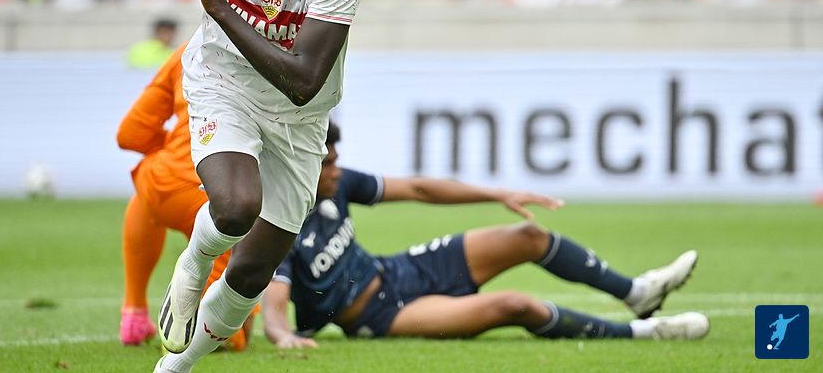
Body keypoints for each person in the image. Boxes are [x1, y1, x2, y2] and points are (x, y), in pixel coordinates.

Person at [0, 0, 368, 372]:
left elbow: (304, 80)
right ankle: (193, 264)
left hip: (298, 113)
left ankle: (172, 368)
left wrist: (220, 6)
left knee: (252, 274)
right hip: (224, 82)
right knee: (235, 208)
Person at [262, 122, 710, 348]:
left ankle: (637, 293)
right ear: (302, 166)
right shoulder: (279, 224)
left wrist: (498, 194)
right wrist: (282, 336)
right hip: (382, 316)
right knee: (515, 305)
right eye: (328, 164)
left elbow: (418, 189)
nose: (337, 172)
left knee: (527, 236)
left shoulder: (336, 185)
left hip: (398, 271)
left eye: (337, 161)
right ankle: (644, 332)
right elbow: (275, 305)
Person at [116, 43, 253, 351]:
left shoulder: (186, 51)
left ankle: (133, 314)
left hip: (166, 181)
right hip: (220, 192)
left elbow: (130, 134)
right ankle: (217, 330)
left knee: (146, 184)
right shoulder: (268, 46)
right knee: (229, 334)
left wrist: (176, 146)